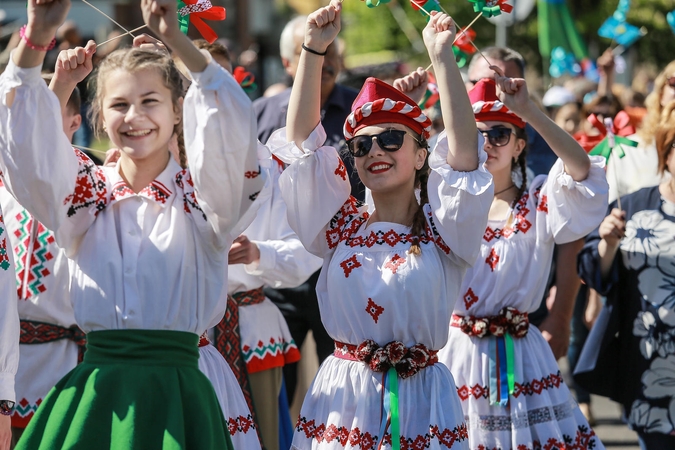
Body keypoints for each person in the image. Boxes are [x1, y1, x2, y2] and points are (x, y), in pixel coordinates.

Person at [0, 0, 263, 448]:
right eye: (119, 104)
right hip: (98, 397)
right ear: (101, 118)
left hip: (179, 396)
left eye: (150, 101)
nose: (135, 116)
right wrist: (35, 37)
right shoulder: (84, 197)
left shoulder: (204, 202)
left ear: (178, 111)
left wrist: (179, 42)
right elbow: (25, 146)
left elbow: (231, 129)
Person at [273, 3, 492, 448]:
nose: (376, 151)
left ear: (420, 154)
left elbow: (466, 158)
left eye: (392, 138)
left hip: (423, 404)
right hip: (344, 405)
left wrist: (441, 55)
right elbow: (300, 146)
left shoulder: (443, 229)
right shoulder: (338, 226)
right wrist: (313, 51)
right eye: (362, 144)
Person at [437, 72, 608, 449]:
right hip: (458, 352)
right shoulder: (447, 204)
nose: (487, 143)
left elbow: (582, 171)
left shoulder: (539, 198)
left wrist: (529, 110)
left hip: (523, 352)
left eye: (499, 134)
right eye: (477, 133)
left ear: (518, 144)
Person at [254, 12, 360, 403]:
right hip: (279, 272)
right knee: (277, 389)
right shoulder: (261, 115)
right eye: (312, 49)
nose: (324, 58)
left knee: (344, 380)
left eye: (330, 48)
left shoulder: (360, 112)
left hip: (345, 269)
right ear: (288, 62)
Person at [467, 46, 581, 361]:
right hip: (458, 341)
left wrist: (561, 315)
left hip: (530, 314)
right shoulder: (440, 157)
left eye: (502, 81)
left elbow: (572, 234)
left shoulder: (546, 147)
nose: (490, 90)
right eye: (479, 80)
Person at [576, 106, 675, 449]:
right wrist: (607, 244)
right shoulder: (633, 207)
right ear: (666, 152)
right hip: (651, 369)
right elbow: (595, 275)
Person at [5, 70, 84, 446]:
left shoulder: (91, 183)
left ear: (75, 122)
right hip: (10, 364)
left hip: (67, 363)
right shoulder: (6, 186)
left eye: (51, 114)